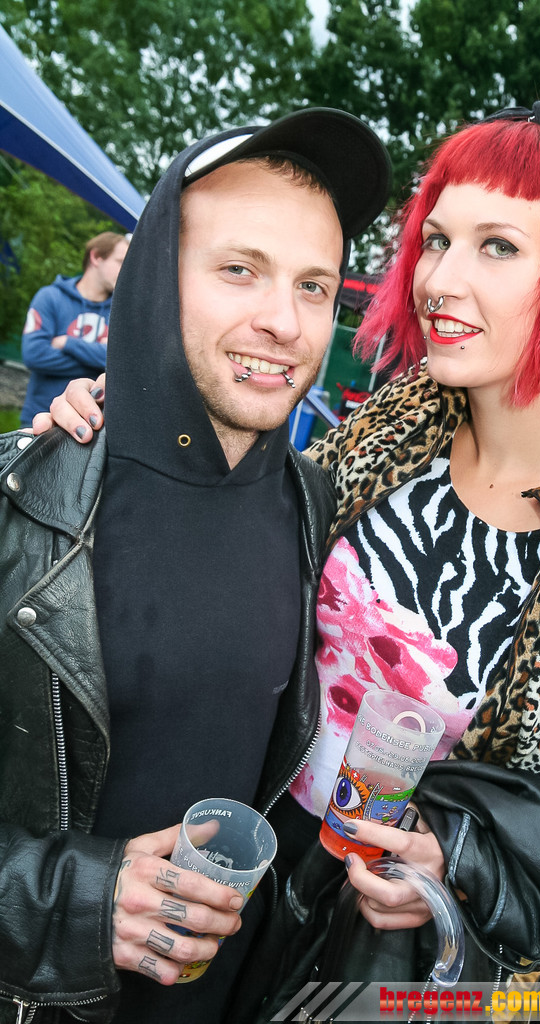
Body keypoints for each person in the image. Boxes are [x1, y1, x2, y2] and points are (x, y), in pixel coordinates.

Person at [47, 102, 540, 979]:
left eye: (497, 246)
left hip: (390, 952)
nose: (439, 279)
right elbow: (257, 510)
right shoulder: (401, 419)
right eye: (437, 240)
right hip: (240, 874)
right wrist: (129, 414)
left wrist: (463, 864)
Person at [0, 107, 391, 1024]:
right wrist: (73, 900)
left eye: (313, 286)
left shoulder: (312, 503)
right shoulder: (23, 503)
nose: (282, 321)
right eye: (238, 269)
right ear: (152, 280)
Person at [19, 231, 130, 425]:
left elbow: (124, 362)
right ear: (96, 257)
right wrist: (99, 356)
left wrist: (68, 343)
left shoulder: (122, 310)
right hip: (41, 419)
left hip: (94, 424)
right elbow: (34, 355)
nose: (126, 271)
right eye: (120, 262)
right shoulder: (50, 297)